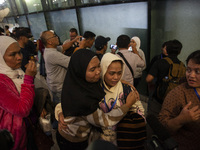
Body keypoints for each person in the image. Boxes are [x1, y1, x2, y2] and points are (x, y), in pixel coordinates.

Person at [55, 49, 138, 150]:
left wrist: (123, 82)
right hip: (74, 140)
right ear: (80, 71)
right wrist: (60, 113)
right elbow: (106, 120)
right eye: (92, 69)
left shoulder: (83, 83)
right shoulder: (84, 97)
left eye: (99, 66)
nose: (98, 71)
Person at [99, 53, 146, 147]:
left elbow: (140, 114)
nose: (116, 77)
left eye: (119, 73)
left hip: (124, 140)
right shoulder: (94, 89)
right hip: (101, 141)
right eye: (111, 73)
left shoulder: (127, 89)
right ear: (103, 70)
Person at [0, 36, 37, 150]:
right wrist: (29, 79)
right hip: (14, 135)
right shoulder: (1, 81)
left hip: (27, 127)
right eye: (12, 54)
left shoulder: (16, 72)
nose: (19, 58)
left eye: (19, 53)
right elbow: (21, 110)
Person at [158, 50, 200, 150]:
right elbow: (161, 127)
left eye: (197, 71)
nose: (191, 75)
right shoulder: (177, 93)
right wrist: (181, 120)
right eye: (188, 70)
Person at [146, 39, 185, 115]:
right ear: (179, 52)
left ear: (166, 50)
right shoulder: (182, 65)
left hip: (158, 98)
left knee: (153, 119)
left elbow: (148, 79)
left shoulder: (160, 62)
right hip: (174, 99)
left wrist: (151, 85)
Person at [40, 30, 71, 104]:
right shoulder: (53, 54)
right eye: (54, 36)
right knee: (63, 107)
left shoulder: (50, 49)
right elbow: (72, 62)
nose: (57, 37)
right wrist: (81, 47)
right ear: (49, 42)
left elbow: (63, 47)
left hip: (54, 85)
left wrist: (74, 41)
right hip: (59, 88)